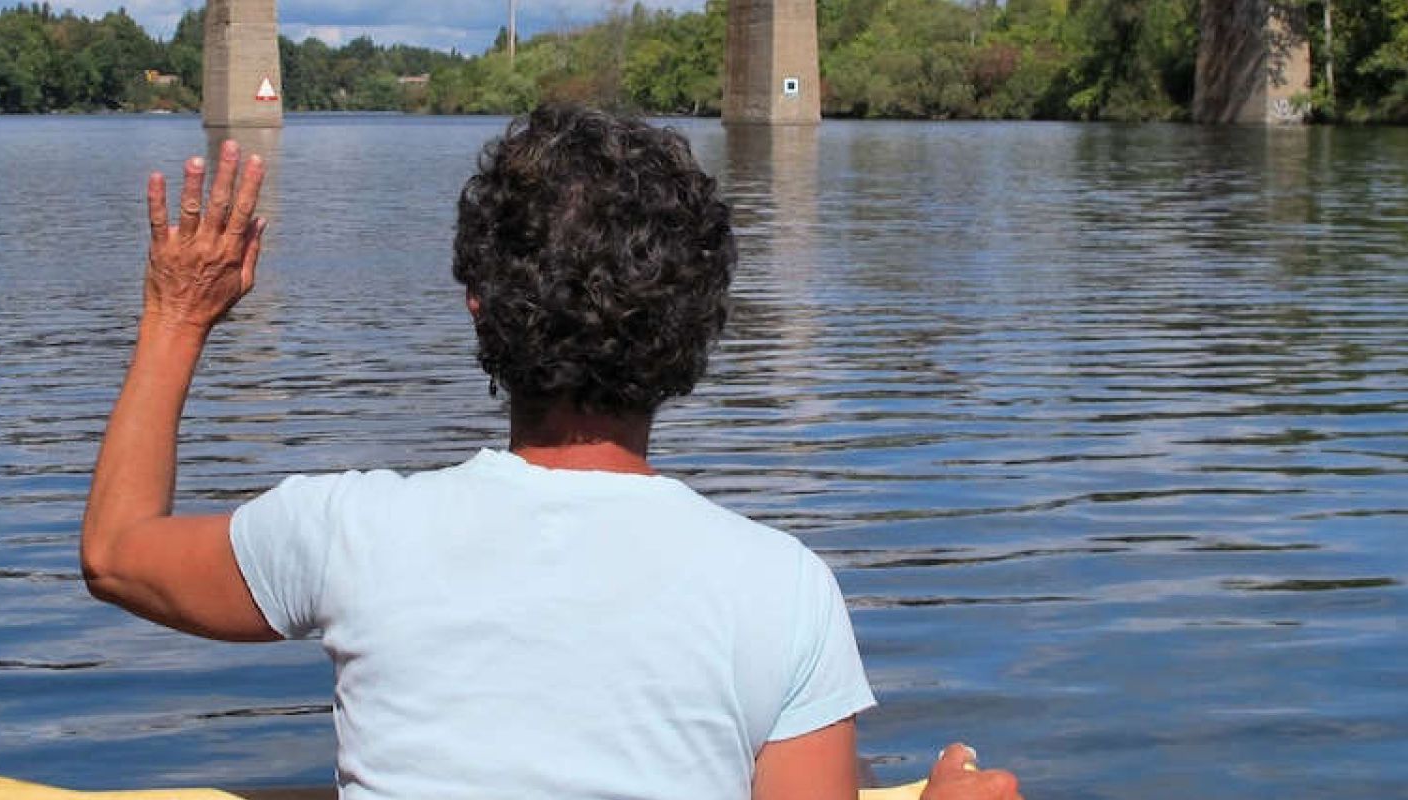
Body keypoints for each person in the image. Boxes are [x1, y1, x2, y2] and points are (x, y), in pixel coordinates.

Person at [80, 105, 1021, 800]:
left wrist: (178, 312)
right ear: (699, 330)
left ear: (478, 311)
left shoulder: (349, 530)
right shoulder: (785, 591)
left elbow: (117, 553)